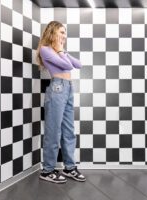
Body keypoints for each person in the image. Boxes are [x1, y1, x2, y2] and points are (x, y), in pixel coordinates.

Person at [36, 21, 86, 183]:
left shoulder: (60, 51)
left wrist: (62, 51)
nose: (64, 36)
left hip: (68, 89)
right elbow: (67, 66)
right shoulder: (45, 50)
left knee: (69, 131)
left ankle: (70, 167)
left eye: (65, 33)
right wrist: (60, 51)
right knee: (53, 132)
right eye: (62, 32)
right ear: (52, 33)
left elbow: (78, 64)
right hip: (57, 89)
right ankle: (47, 170)